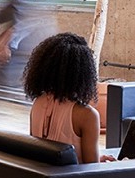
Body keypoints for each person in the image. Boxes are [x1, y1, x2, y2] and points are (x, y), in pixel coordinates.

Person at [23, 32, 112, 164]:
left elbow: (45, 154)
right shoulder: (87, 115)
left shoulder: (38, 102)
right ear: (84, 73)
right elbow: (92, 170)